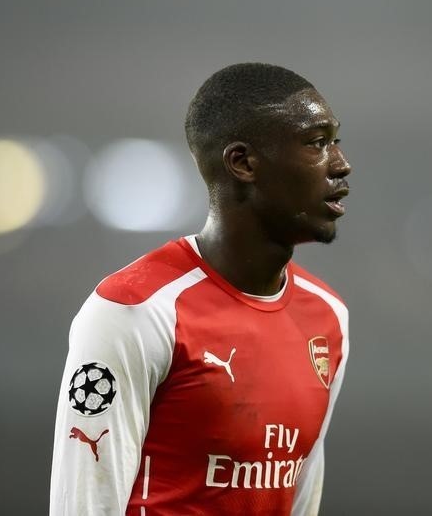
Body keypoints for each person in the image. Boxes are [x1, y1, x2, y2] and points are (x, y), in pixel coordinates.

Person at [49, 62, 352, 515]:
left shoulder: (328, 317)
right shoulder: (134, 310)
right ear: (243, 163)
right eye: (316, 143)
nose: (341, 165)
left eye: (335, 141)